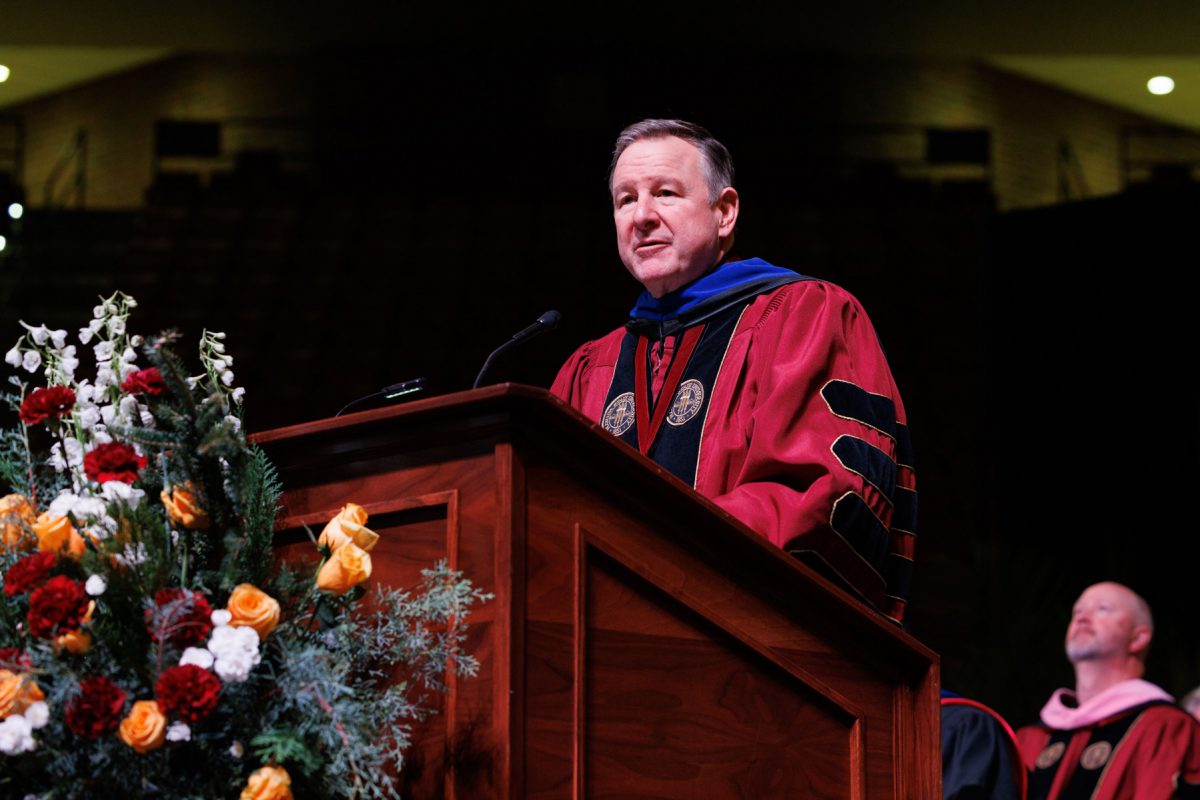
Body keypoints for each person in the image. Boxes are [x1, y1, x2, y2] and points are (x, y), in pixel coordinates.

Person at [549, 119, 916, 622]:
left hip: (749, 643)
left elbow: (820, 495)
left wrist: (658, 554)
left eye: (665, 193)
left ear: (725, 212)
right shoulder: (590, 369)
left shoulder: (804, 316)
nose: (643, 216)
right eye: (625, 200)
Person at [1016, 582, 1200, 799]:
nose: (1081, 618)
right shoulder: (1032, 737)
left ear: (1138, 638)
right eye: (1077, 611)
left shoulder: (1165, 727)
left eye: (1103, 608)